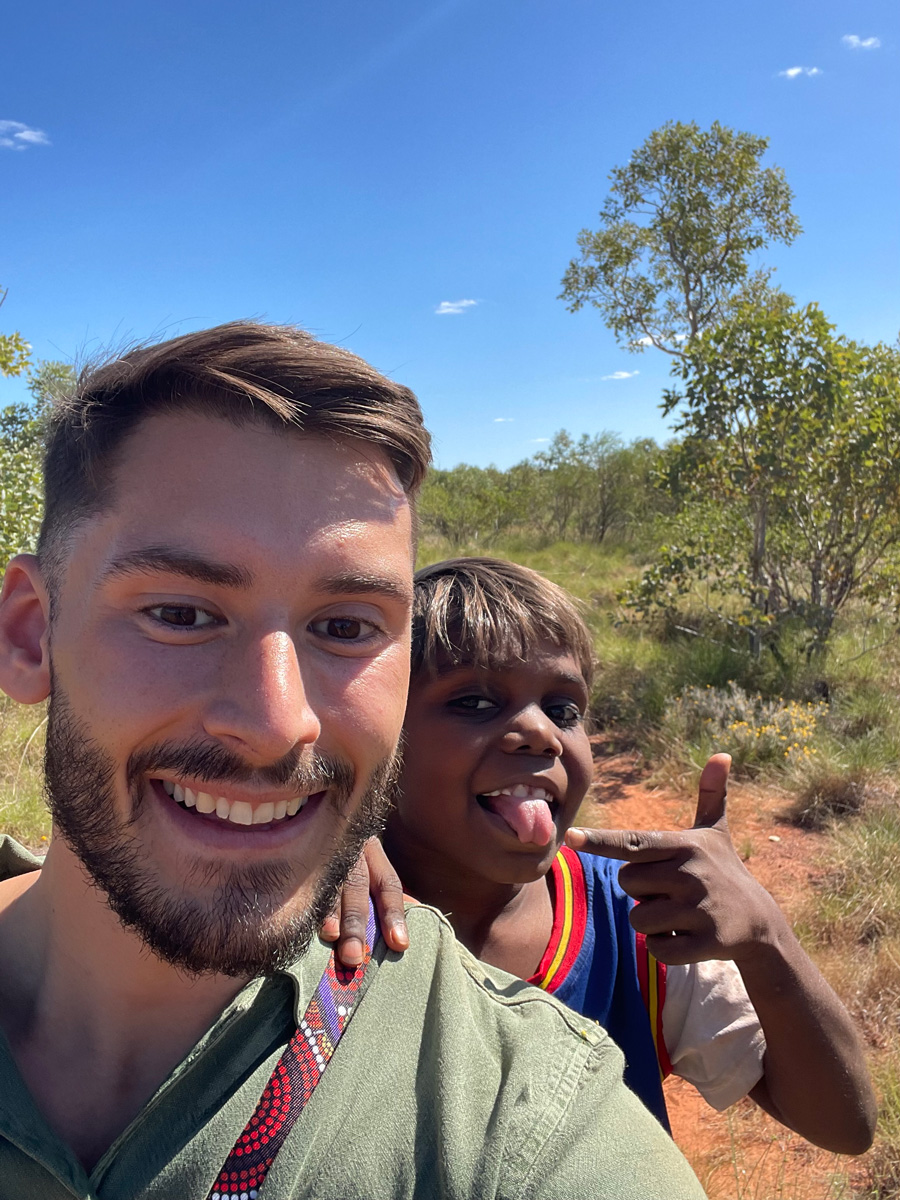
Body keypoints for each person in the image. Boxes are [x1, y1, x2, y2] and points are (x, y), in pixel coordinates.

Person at [0, 324, 707, 1199]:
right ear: (31, 635)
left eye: (344, 629)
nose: (276, 723)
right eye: (181, 614)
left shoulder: (518, 1121)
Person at [333, 557, 876, 1152]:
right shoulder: (332, 915)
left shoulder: (640, 919)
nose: (540, 732)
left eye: (564, 709)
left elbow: (843, 1126)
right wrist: (320, 859)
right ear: (382, 732)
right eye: (473, 702)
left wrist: (767, 938)